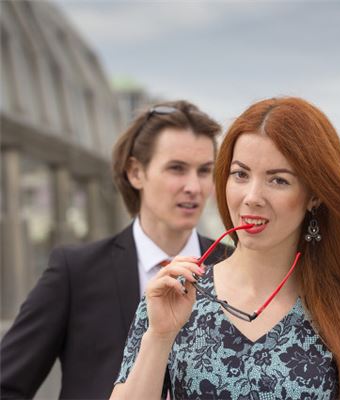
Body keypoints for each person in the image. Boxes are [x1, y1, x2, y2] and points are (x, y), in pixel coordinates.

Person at [111, 96, 340, 399]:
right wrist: (159, 336)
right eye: (241, 174)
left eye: (279, 180)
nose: (252, 197)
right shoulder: (175, 296)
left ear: (315, 195)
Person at [0, 100, 231, 399]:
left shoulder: (234, 265)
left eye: (204, 171)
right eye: (177, 168)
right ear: (135, 172)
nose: (194, 187)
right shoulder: (75, 272)